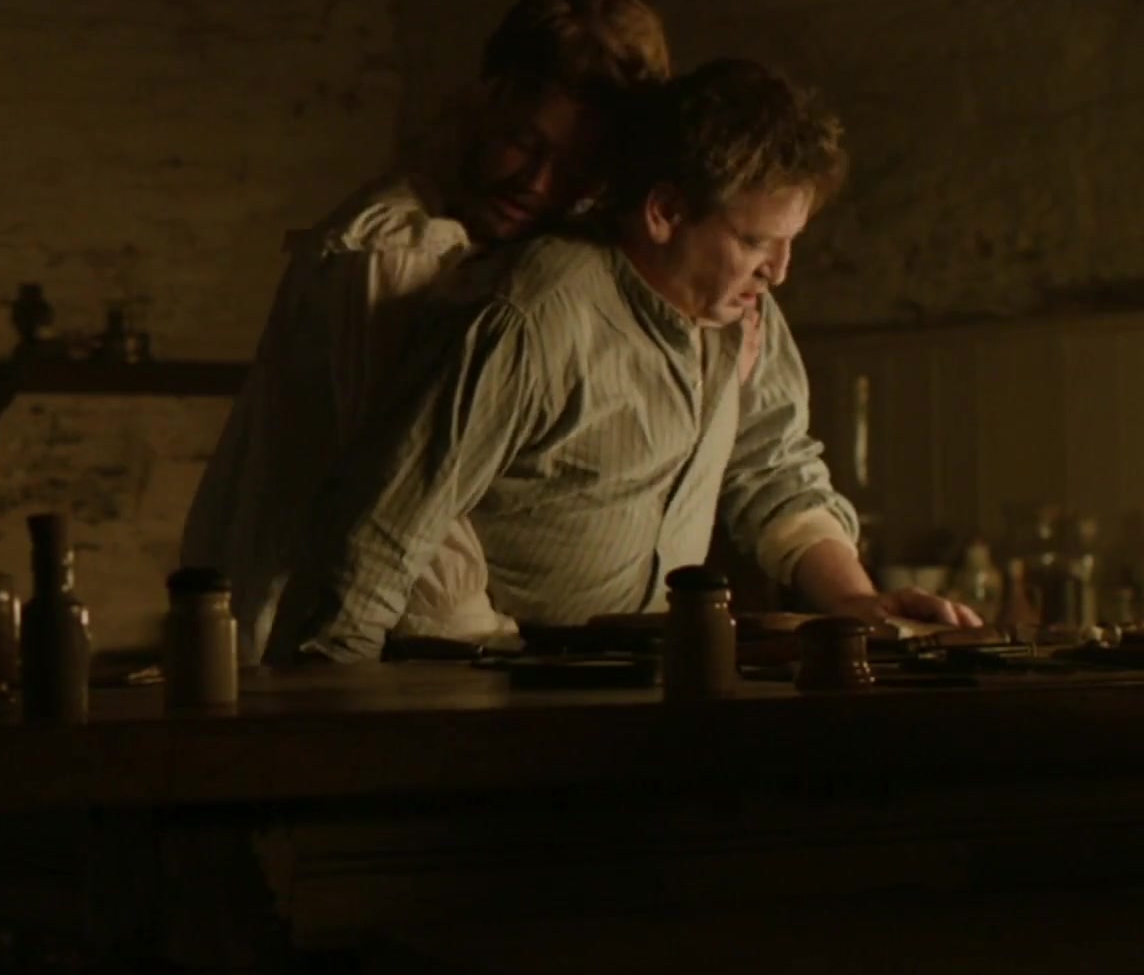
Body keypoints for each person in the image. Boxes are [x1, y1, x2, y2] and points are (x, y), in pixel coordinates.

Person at [280, 58, 980, 663]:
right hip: (503, 686)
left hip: (648, 688)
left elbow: (773, 469)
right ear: (664, 212)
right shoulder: (533, 315)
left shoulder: (741, 309)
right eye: (754, 242)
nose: (779, 271)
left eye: (788, 242)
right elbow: (382, 531)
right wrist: (326, 711)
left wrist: (856, 601)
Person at [179, 0, 675, 665]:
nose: (538, 184)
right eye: (521, 143)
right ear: (484, 104)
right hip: (298, 642)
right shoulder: (389, 254)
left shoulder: (514, 255)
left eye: (574, 170)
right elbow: (402, 504)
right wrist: (512, 652)